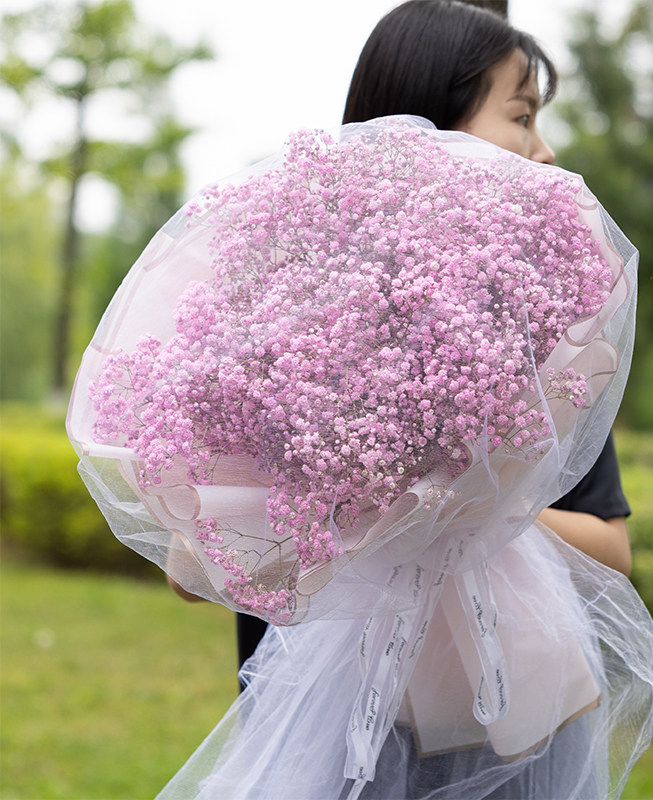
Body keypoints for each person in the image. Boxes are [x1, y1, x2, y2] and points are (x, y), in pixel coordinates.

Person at [232, 0, 631, 679]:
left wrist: (467, 505)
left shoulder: (540, 333)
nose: (547, 149)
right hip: (319, 716)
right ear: (429, 127)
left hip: (501, 728)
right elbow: (199, 568)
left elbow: (612, 549)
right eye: (523, 115)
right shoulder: (281, 327)